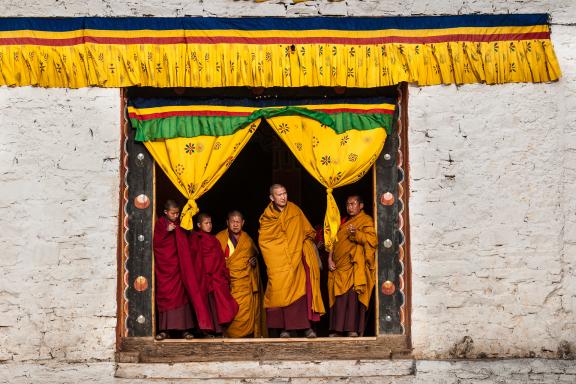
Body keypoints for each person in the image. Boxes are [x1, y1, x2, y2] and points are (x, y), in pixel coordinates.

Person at [258, 184, 325, 338]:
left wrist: (306, 245)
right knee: (279, 292)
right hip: (278, 262)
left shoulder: (295, 210)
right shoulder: (267, 217)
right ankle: (284, 329)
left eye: (285, 193)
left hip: (296, 259)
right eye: (279, 194)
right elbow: (265, 241)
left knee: (301, 292)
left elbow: (308, 231)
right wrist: (277, 258)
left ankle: (306, 328)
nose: (283, 197)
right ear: (272, 198)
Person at [152, 200, 211, 340]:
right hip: (167, 269)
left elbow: (188, 240)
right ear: (166, 212)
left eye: (177, 213)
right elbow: (156, 243)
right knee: (167, 296)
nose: (176, 216)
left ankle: (185, 330)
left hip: (180, 268)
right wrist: (167, 232)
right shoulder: (160, 224)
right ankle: (165, 330)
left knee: (183, 294)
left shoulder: (180, 223)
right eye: (173, 213)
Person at [327, 195, 377, 337]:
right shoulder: (343, 221)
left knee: (353, 298)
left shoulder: (366, 220)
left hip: (355, 265)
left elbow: (372, 240)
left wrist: (358, 234)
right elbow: (333, 241)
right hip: (339, 265)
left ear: (361, 205)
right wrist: (329, 259)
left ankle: (352, 329)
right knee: (339, 298)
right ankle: (336, 330)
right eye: (348, 204)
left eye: (353, 204)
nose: (350, 207)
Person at [189, 213, 239, 337]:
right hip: (205, 278)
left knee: (222, 305)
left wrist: (224, 275)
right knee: (207, 305)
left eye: (210, 223)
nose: (209, 225)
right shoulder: (196, 239)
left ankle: (218, 330)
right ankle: (207, 331)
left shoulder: (214, 240)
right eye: (206, 223)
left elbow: (220, 259)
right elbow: (196, 260)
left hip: (217, 278)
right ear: (199, 225)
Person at [216, 210, 263, 338]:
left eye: (238, 222)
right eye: (232, 221)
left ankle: (246, 338)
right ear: (227, 222)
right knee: (229, 311)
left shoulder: (247, 240)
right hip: (228, 285)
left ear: (243, 223)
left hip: (245, 285)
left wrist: (254, 263)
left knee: (245, 314)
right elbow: (213, 261)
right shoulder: (219, 238)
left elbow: (255, 258)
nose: (235, 224)